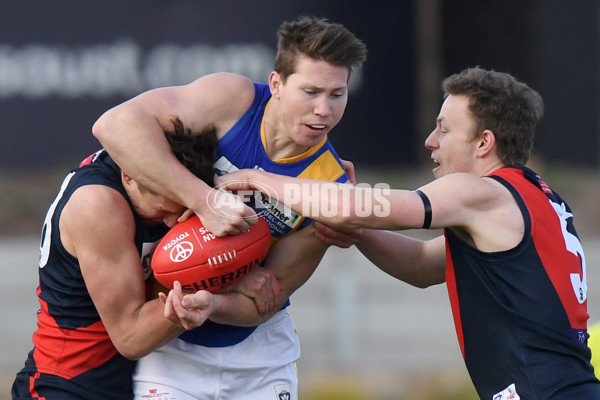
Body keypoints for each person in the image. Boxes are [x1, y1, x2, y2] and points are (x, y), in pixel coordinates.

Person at [215, 67, 600, 399]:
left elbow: (364, 207)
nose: (431, 141)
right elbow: (420, 264)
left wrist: (258, 178)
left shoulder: (480, 191)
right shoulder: (537, 200)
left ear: (484, 143)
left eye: (444, 130)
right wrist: (358, 230)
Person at [92, 15, 367, 400]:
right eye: (311, 92)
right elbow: (115, 125)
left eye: (336, 95)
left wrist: (213, 302)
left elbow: (268, 296)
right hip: (171, 346)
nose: (323, 109)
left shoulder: (329, 185)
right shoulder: (233, 100)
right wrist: (204, 201)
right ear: (277, 85)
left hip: (259, 355)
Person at [11, 119, 281, 400]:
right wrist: (226, 277)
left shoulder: (180, 173)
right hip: (67, 386)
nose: (175, 223)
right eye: (163, 214)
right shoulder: (97, 205)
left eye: (186, 210)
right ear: (129, 175)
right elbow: (131, 336)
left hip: (136, 383)